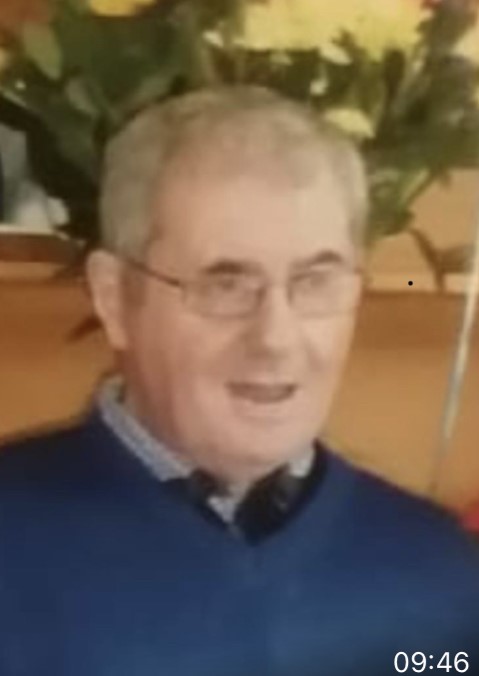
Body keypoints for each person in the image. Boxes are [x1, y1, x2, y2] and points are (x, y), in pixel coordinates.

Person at [0, 86, 478, 676]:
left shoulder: (440, 575)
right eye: (225, 285)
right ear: (115, 297)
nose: (276, 337)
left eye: (315, 282)